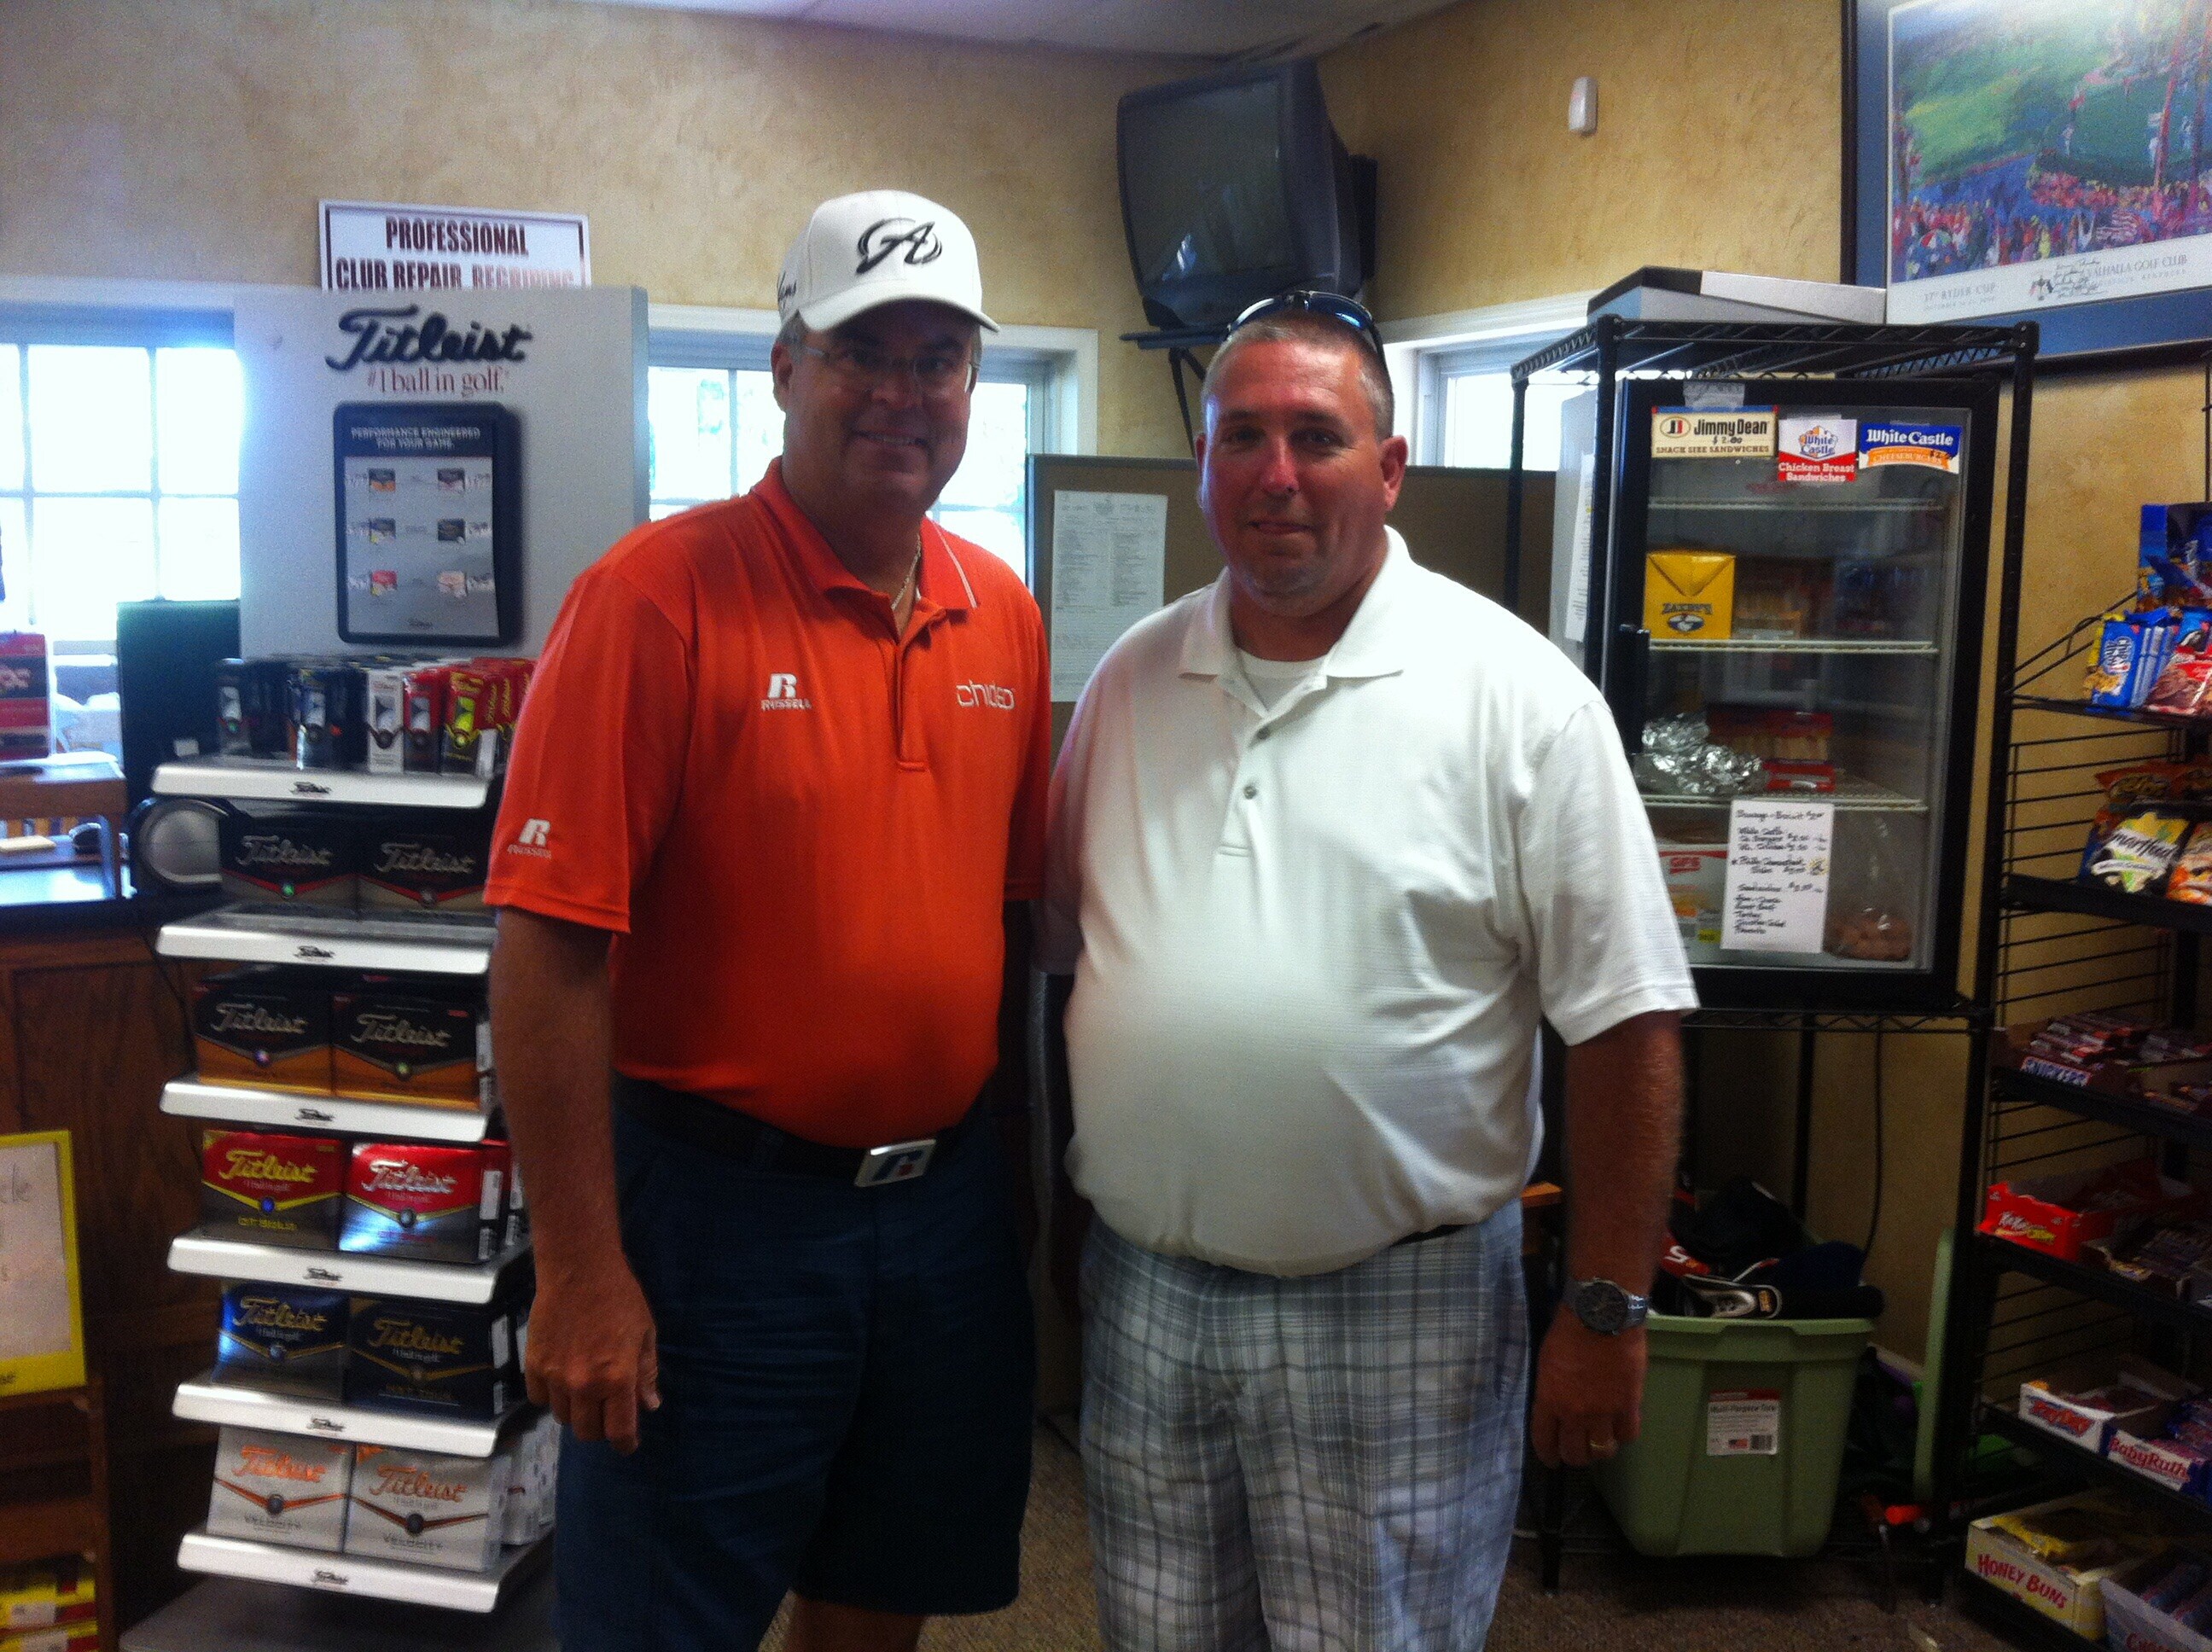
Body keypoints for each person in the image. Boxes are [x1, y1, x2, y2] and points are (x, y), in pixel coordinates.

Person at [1041, 291, 1697, 1651]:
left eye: (1316, 437)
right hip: (1152, 1296)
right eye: (1241, 437)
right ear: (1203, 463)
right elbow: (1068, 964)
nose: (1275, 474)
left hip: (1398, 1309)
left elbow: (1627, 1026)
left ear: (1388, 468)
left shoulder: (1519, 699)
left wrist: (1606, 1310)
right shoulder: (1130, 682)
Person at [486, 189, 1051, 1652]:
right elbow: (547, 953)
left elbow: (1005, 926)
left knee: (884, 1590)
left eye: (937, 359)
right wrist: (580, 1271)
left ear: (972, 386)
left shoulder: (1003, 611)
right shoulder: (652, 599)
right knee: (661, 1620)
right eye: (863, 352)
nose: (902, 393)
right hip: (717, 1227)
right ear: (786, 367)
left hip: (940, 1218)